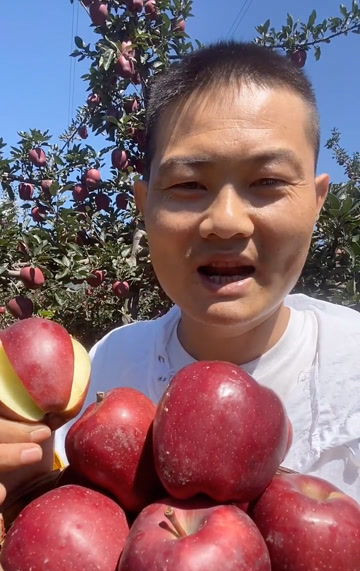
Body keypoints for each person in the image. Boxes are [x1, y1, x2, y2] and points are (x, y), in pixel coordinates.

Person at [1, 41, 359, 506]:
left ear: (316, 204)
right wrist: (27, 476)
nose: (226, 221)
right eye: (189, 184)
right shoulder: (111, 363)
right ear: (144, 206)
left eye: (268, 181)